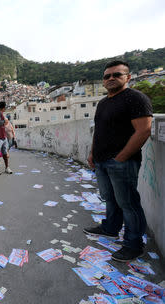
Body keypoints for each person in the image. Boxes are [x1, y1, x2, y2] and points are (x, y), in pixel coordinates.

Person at [83, 60, 153, 262]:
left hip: (122, 162)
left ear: (128, 77)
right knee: (110, 198)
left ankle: (134, 244)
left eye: (117, 75)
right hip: (102, 160)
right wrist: (92, 153)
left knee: (128, 203)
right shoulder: (104, 102)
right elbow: (99, 130)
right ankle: (110, 228)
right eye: (107, 76)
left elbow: (144, 130)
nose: (111, 78)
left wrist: (121, 157)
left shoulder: (135, 98)